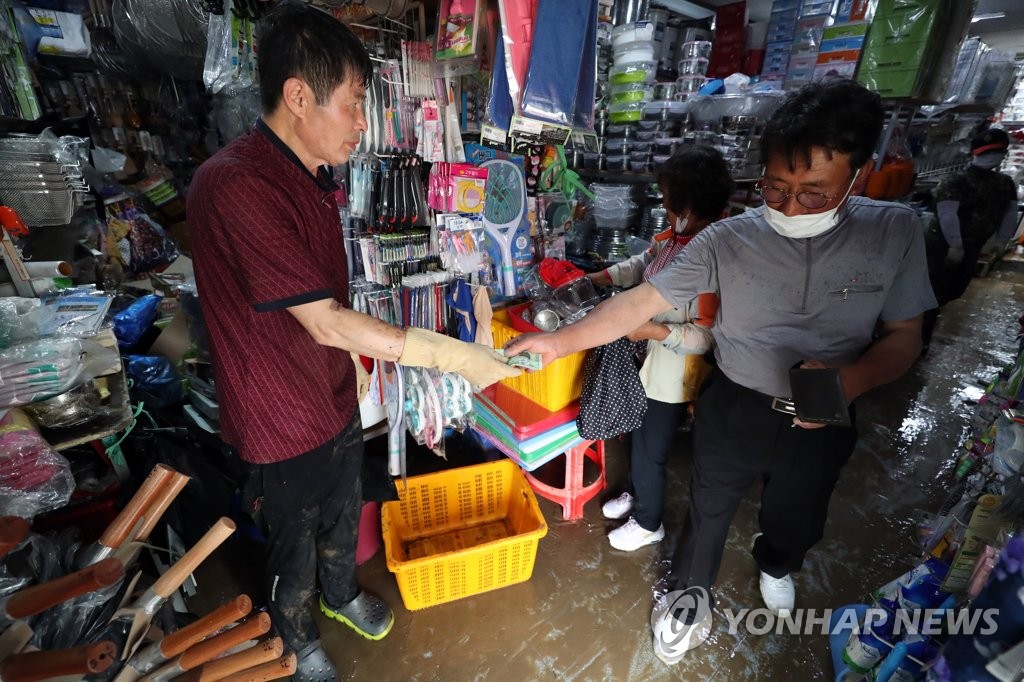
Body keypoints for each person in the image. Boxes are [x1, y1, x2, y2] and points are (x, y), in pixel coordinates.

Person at [506, 78, 937, 665]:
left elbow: (905, 339)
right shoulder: (728, 238)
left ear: (858, 174)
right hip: (735, 401)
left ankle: (777, 562)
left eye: (814, 192)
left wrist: (849, 381)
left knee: (796, 516)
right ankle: (687, 600)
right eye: (776, 188)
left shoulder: (893, 232)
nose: (788, 207)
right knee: (708, 510)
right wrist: (559, 343)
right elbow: (639, 301)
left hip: (826, 409)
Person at [186, 5, 518, 680]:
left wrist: (359, 365)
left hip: (330, 390)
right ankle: (296, 635)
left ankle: (339, 597)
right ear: (299, 96)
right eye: (355, 105)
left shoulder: (311, 176)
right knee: (293, 540)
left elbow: (329, 307)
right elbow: (325, 318)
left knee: (343, 510)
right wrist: (454, 356)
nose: (363, 124)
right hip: (278, 413)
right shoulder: (236, 183)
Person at [586, 146, 733, 552]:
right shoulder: (675, 240)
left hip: (671, 377)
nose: (665, 209)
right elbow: (644, 263)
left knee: (652, 449)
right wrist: (601, 276)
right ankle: (636, 494)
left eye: (670, 204)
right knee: (638, 436)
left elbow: (707, 337)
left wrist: (652, 330)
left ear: (690, 207)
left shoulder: (712, 260)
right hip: (646, 362)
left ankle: (649, 521)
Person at [922, 127, 1019, 349]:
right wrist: (955, 245)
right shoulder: (956, 181)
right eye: (985, 153)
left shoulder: (1004, 184)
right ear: (974, 154)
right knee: (930, 293)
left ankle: (922, 331)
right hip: (942, 244)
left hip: (972, 246)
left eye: (994, 153)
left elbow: (1010, 213)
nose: (990, 158)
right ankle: (919, 341)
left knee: (954, 289)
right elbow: (947, 215)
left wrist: (1003, 241)